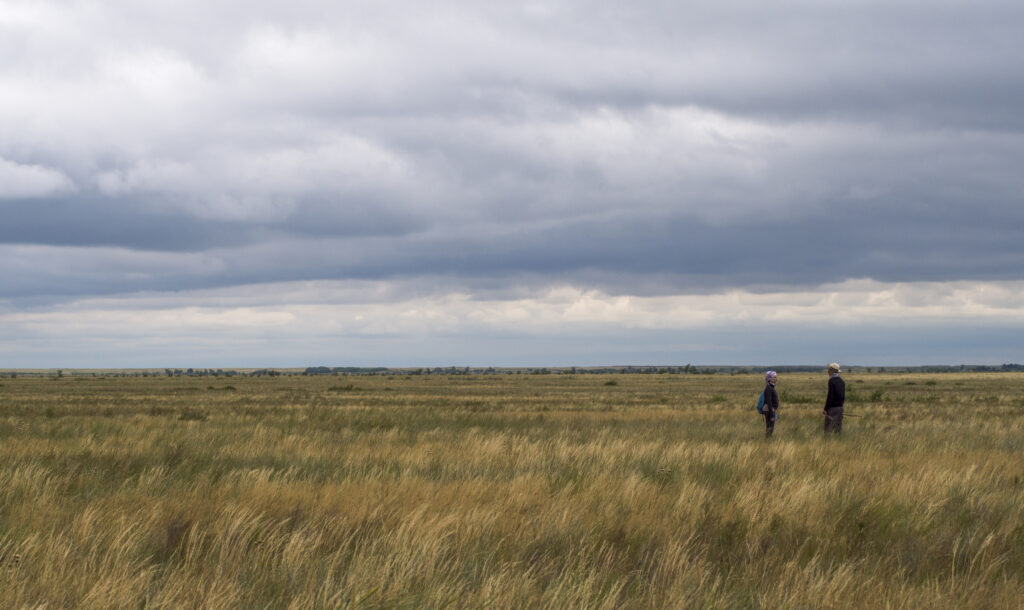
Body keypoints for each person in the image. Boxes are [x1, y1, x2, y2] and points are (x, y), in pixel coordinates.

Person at [823, 362, 845, 434]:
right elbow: (842, 396)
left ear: (832, 371)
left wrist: (826, 409)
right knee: (838, 429)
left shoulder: (831, 381)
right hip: (840, 408)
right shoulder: (842, 381)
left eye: (829, 369)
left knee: (828, 429)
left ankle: (827, 444)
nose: (828, 371)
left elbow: (830, 396)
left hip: (832, 409)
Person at [763, 370, 779, 437]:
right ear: (770, 379)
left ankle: (768, 441)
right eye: (774, 377)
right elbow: (769, 402)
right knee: (770, 428)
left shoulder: (770, 387)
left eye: (776, 377)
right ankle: (767, 442)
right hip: (769, 411)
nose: (776, 379)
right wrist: (772, 415)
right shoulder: (769, 388)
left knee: (770, 428)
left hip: (771, 411)